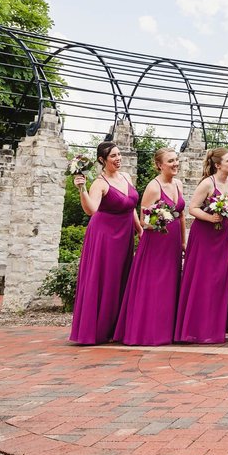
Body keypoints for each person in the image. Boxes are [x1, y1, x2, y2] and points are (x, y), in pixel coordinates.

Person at [70, 141, 142, 345]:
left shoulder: (126, 177)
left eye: (119, 155)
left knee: (122, 278)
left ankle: (116, 328)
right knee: (105, 279)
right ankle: (98, 330)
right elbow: (92, 209)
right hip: (104, 236)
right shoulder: (99, 183)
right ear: (102, 160)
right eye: (113, 156)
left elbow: (131, 207)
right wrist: (82, 189)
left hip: (125, 234)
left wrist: (139, 229)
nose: (118, 159)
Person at [114, 147, 185, 346]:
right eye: (170, 161)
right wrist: (159, 220)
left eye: (176, 160)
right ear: (159, 165)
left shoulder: (178, 184)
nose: (175, 164)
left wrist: (183, 241)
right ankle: (148, 331)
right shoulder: (154, 187)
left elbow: (181, 216)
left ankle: (168, 331)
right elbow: (144, 219)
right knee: (154, 285)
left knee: (171, 284)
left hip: (172, 243)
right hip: (156, 242)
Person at [175, 148, 228, 344]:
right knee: (203, 279)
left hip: (221, 236)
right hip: (204, 236)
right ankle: (198, 328)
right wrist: (211, 218)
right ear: (217, 165)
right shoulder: (207, 183)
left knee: (220, 278)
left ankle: (218, 326)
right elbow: (192, 208)